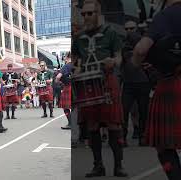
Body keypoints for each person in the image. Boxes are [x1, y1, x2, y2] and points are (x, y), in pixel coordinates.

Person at [73, 1, 127, 177]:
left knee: (113, 124)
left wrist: (113, 62)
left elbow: (119, 57)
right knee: (92, 125)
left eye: (90, 13)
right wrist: (76, 70)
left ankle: (118, 166)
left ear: (98, 13)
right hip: (88, 84)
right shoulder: (78, 38)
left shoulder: (110, 33)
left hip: (107, 80)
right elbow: (77, 62)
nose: (86, 17)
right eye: (84, 14)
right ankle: (98, 165)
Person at [132, 0, 181, 179]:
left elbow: (140, 50)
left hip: (173, 84)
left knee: (164, 145)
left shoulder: (166, 15)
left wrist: (136, 62)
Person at [121, 20, 151, 147]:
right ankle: (122, 137)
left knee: (143, 111)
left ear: (136, 28)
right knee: (124, 110)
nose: (129, 31)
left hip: (143, 82)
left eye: (131, 28)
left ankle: (143, 135)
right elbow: (120, 64)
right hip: (129, 83)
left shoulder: (145, 43)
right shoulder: (123, 45)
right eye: (127, 29)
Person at [56, 52, 73, 130]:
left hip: (68, 87)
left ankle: (70, 123)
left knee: (65, 107)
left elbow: (58, 77)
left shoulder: (66, 66)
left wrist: (58, 81)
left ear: (67, 57)